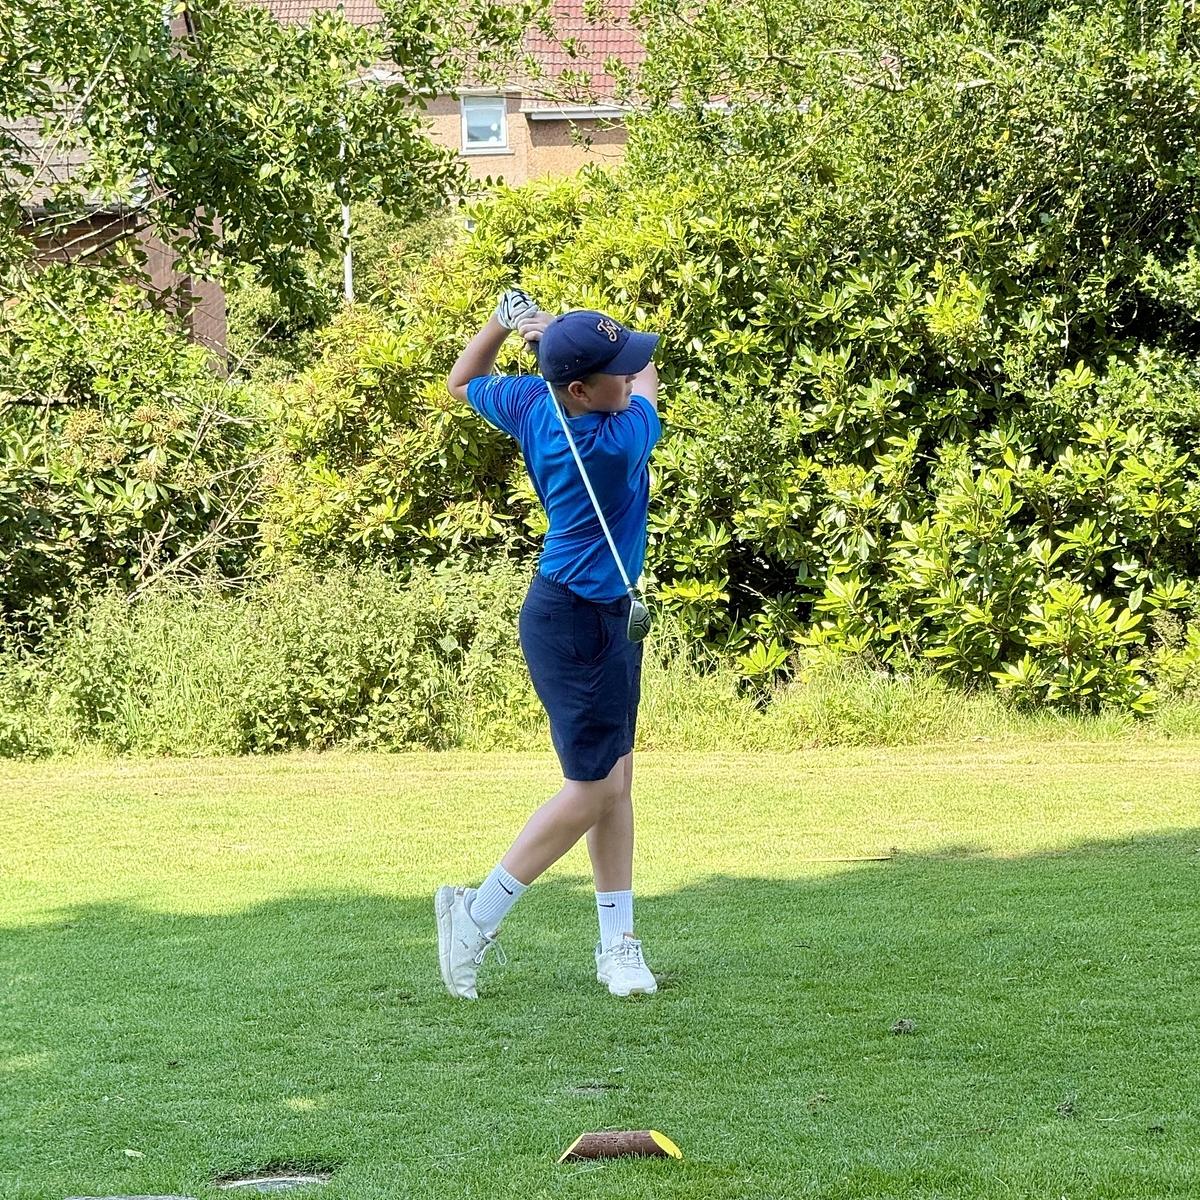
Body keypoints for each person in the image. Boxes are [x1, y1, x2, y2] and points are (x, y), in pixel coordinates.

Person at [435, 290, 662, 1000]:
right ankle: (475, 916)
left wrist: (506, 326)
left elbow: (463, 381)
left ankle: (617, 945)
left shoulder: (535, 404)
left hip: (600, 611)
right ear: (581, 390)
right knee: (595, 789)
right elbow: (649, 380)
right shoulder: (617, 440)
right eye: (612, 372)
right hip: (575, 622)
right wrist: (552, 334)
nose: (627, 376)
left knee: (617, 782)